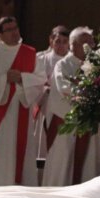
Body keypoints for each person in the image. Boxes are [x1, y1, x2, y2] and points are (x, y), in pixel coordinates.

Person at [0, 16, 43, 186]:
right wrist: (4, 78)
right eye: (9, 30)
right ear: (0, 34)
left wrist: (22, 78)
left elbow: (41, 80)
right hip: (0, 116)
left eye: (16, 28)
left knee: (23, 158)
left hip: (22, 111)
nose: (14, 32)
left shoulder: (30, 53)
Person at [43, 27, 100, 186]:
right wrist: (85, 90)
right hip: (66, 123)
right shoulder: (63, 64)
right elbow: (64, 86)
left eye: (92, 42)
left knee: (87, 165)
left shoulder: (95, 65)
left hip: (88, 124)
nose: (91, 45)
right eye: (86, 42)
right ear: (73, 45)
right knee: (63, 166)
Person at [32, 26, 71, 165]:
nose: (61, 45)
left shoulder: (73, 62)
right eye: (58, 41)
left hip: (65, 110)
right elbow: (32, 83)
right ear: (50, 41)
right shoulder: (40, 59)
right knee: (43, 144)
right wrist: (45, 88)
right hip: (45, 106)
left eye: (65, 41)